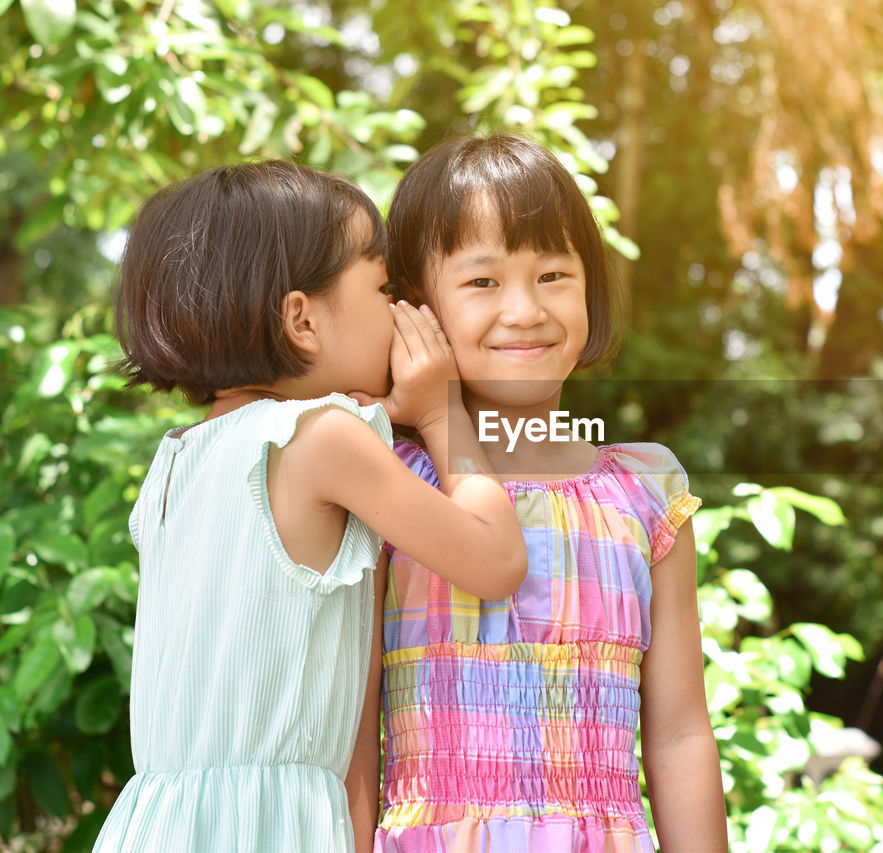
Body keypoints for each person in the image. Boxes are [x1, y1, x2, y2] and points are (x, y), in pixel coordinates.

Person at [93, 161, 527, 853]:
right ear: (301, 319)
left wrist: (384, 410)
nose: (399, 310)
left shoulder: (179, 459)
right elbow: (497, 558)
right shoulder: (325, 440)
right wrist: (443, 414)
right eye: (384, 286)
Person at [372, 134, 728, 852]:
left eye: (554, 274)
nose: (526, 309)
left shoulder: (646, 492)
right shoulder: (388, 481)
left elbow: (682, 730)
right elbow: (349, 735)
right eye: (482, 282)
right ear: (416, 310)